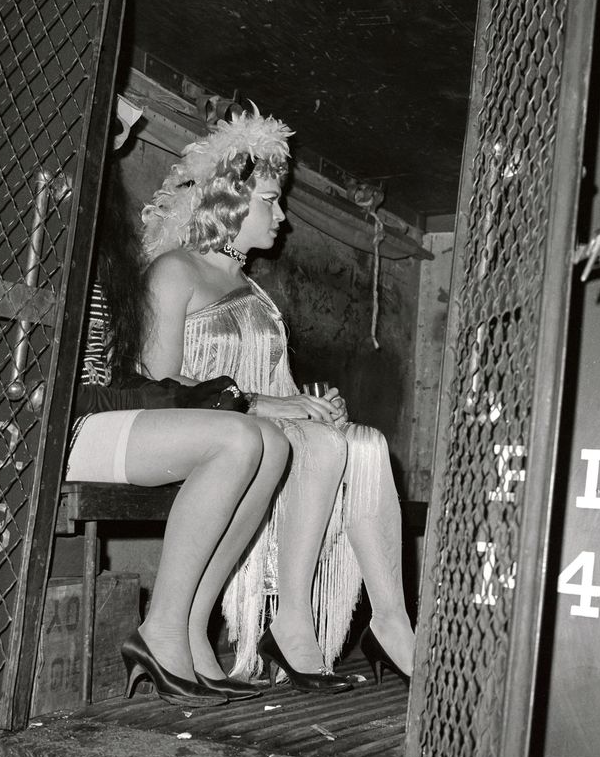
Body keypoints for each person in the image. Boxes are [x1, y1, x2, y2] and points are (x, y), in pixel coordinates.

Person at [138, 107, 415, 690]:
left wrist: (313, 404)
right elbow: (158, 385)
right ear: (228, 201)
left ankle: (386, 622)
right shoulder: (174, 271)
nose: (283, 216)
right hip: (206, 430)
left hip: (257, 423)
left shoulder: (254, 291)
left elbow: (277, 388)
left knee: (365, 444)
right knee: (330, 446)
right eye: (270, 199)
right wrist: (268, 406)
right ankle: (294, 622)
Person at [65, 163, 290, 705]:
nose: (117, 146)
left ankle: (190, 625)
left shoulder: (106, 249)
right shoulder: (52, 241)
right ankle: (160, 630)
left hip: (106, 414)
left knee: (272, 443)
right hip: (66, 428)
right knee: (237, 439)